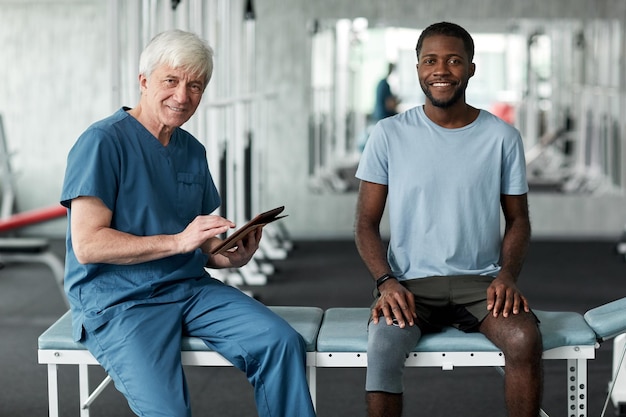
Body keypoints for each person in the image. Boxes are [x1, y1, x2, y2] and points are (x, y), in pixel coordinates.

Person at [60, 29, 316, 417]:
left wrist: (223, 256)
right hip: (119, 301)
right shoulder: (102, 142)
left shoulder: (191, 149)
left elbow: (192, 240)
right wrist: (179, 243)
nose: (182, 96)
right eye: (171, 81)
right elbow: (89, 245)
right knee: (169, 412)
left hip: (188, 288)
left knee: (280, 342)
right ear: (143, 82)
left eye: (195, 86)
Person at [354, 22, 543, 417]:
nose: (441, 70)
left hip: (482, 284)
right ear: (418, 68)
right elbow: (365, 224)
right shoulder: (388, 134)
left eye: (454, 60)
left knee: (525, 339)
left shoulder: (502, 137)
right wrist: (386, 281)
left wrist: (507, 276)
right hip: (409, 285)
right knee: (384, 347)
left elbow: (519, 220)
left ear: (471, 69)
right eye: (430, 61)